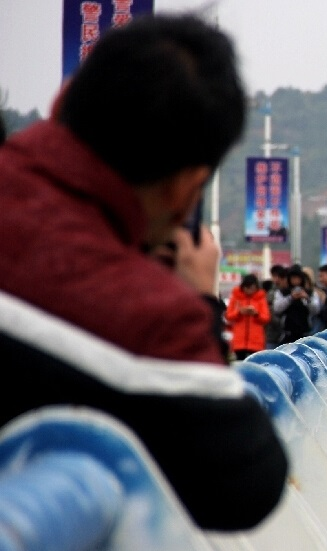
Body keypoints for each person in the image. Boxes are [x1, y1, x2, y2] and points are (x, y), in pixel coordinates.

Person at [0, 14, 286, 530]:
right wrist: (198, 301)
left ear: (64, 101)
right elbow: (248, 482)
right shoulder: (144, 316)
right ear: (185, 190)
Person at [226, 273, 271, 360]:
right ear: (243, 287)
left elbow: (266, 318)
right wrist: (239, 312)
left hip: (256, 341)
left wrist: (256, 314)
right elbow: (228, 315)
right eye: (248, 288)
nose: (250, 291)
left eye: (252, 288)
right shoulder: (236, 297)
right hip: (239, 341)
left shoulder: (261, 298)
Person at [272, 264, 321, 344]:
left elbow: (316, 310)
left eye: (297, 278)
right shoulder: (282, 292)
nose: (295, 280)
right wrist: (290, 298)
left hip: (305, 333)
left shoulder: (310, 293)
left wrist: (306, 298)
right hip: (287, 333)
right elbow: (277, 308)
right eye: (293, 278)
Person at [266, 264, 288, 348]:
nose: (277, 279)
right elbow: (270, 312)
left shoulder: (288, 292)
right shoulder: (271, 293)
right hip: (272, 335)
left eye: (279, 277)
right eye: (274, 276)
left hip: (286, 336)